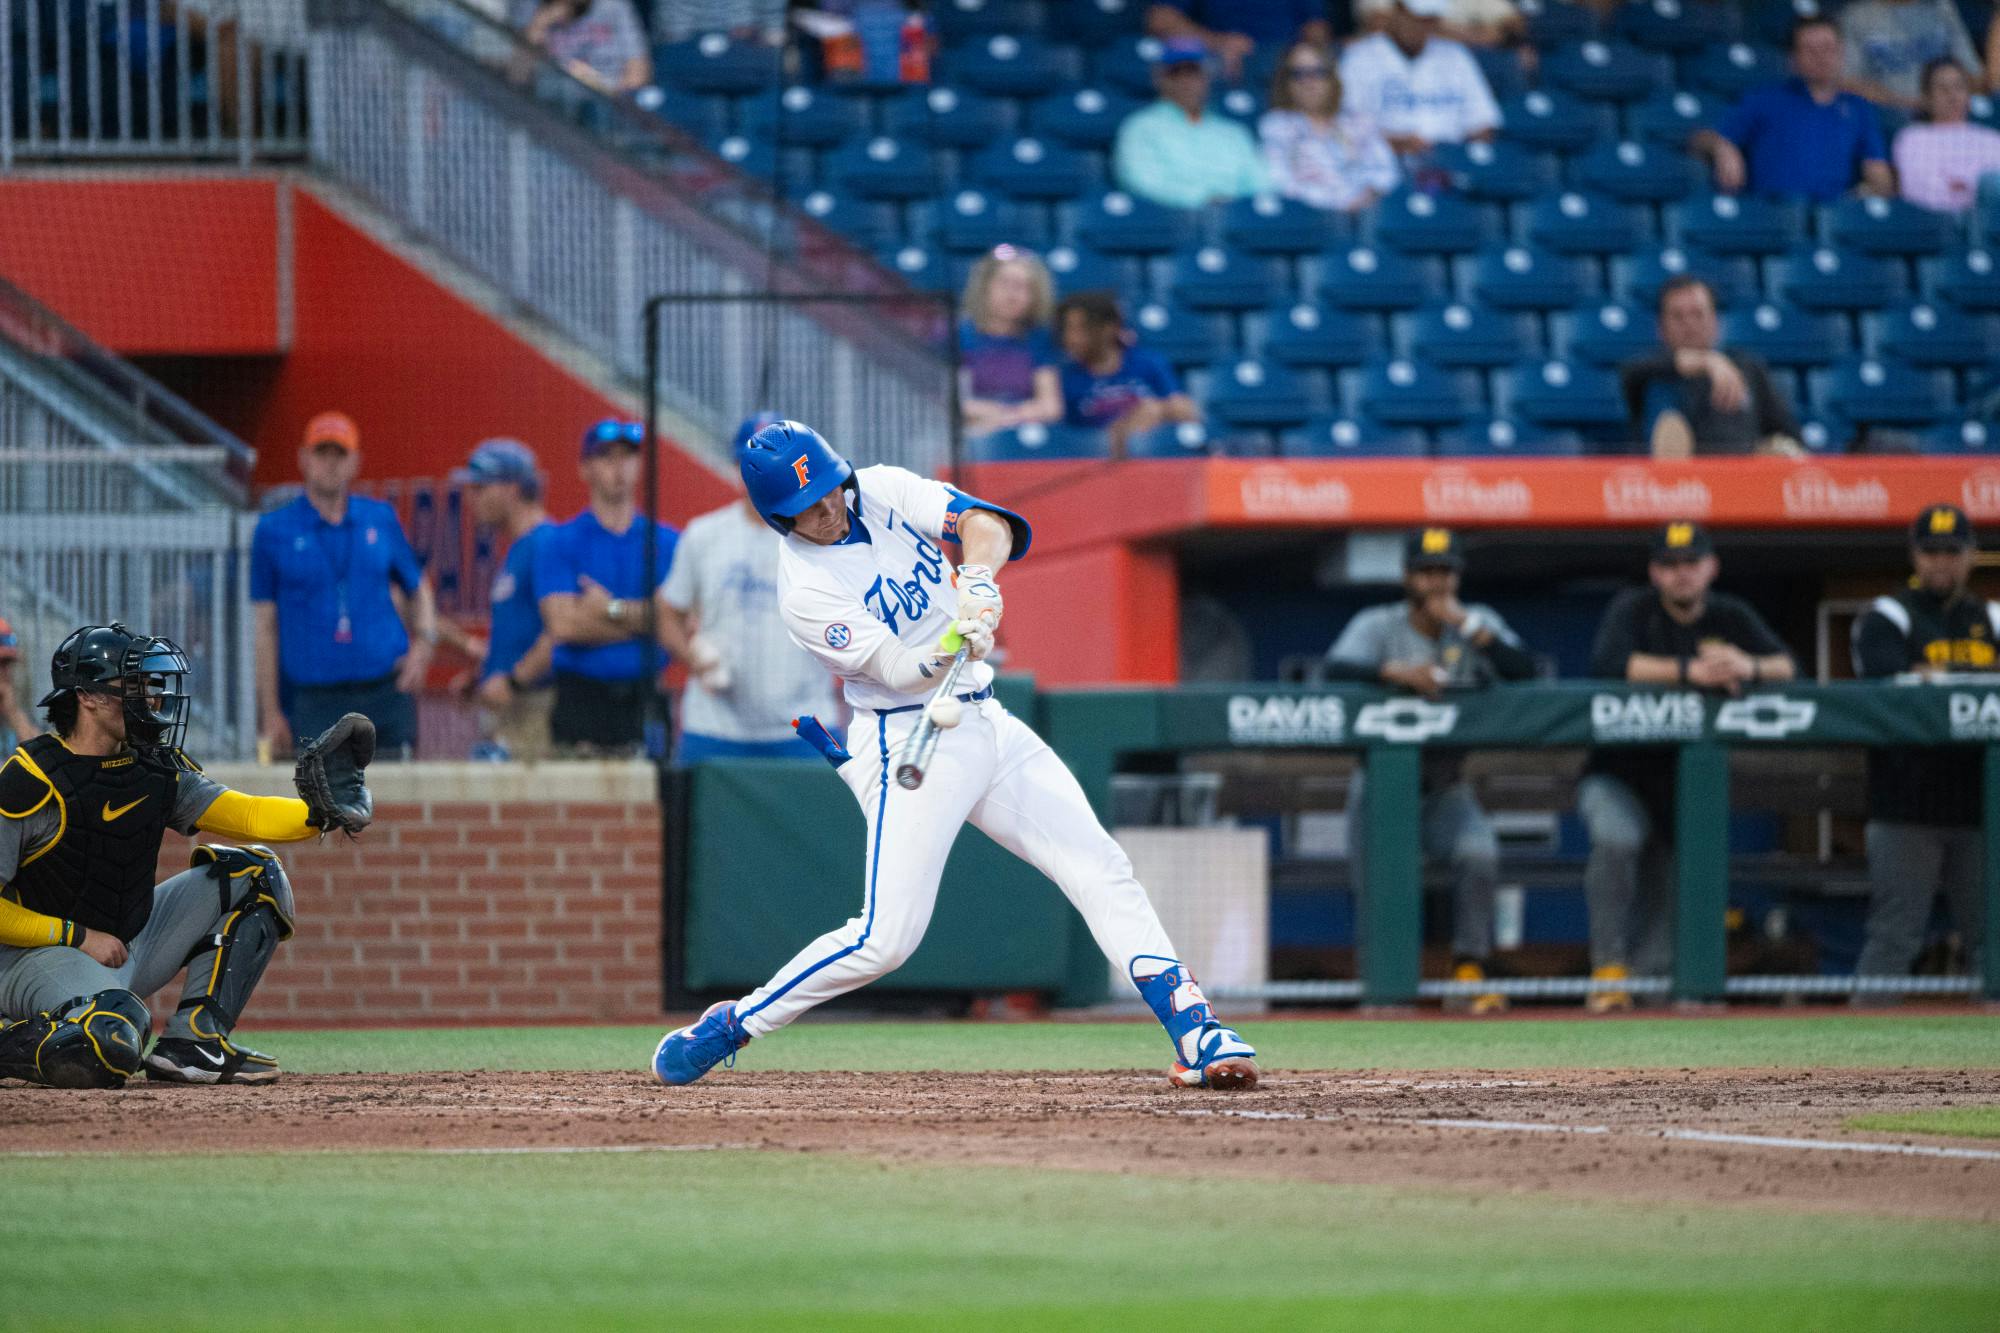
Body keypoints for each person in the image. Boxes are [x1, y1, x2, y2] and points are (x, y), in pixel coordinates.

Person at [651, 420, 1260, 1089]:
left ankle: (1192, 1026)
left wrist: (974, 578)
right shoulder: (804, 591)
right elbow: (903, 667)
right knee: (886, 939)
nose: (829, 509)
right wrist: (951, 640)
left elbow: (984, 522)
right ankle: (735, 1022)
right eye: (809, 507)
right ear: (778, 518)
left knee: (1098, 863)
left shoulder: (876, 488)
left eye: (830, 490)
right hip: (907, 734)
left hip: (984, 719)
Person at [0, 623, 375, 1088]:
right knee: (110, 1041)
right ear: (89, 698)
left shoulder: (155, 764)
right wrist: (76, 936)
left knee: (255, 874)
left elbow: (249, 814)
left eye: (152, 687)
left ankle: (195, 1044)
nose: (152, 699)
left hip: (126, 942)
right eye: (134, 687)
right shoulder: (29, 778)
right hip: (34, 957)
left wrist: (319, 814)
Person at [1577, 523, 1796, 1012]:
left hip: (1686, 786)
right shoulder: (1634, 608)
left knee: (1676, 886)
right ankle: (1608, 970)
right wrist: (1688, 672)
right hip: (1619, 775)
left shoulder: (1730, 615)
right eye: (1671, 565)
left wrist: (1748, 665)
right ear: (1655, 572)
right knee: (1616, 839)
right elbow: (1609, 663)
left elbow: (1788, 665)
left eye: (1691, 564)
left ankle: (1653, 998)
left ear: (1710, 567)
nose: (1682, 575)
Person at [1324, 528, 1538, 1013]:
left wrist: (1466, 626)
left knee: (1478, 853)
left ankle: (1468, 971)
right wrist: (1389, 672)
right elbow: (1333, 671)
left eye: (1444, 571)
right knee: (1378, 887)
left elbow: (1524, 672)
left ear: (1458, 576)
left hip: (1446, 786)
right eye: (1426, 571)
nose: (1436, 582)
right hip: (1381, 785)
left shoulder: (1478, 625)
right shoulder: (1379, 625)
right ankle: (1380, 992)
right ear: (1407, 577)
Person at [1850, 504, 1997, 991]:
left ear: (1971, 555)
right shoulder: (1889, 615)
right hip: (1905, 806)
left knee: (1990, 939)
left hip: (1980, 808)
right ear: (1915, 556)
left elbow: (1924, 683)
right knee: (1895, 936)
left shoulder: (1991, 618)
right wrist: (1979, 681)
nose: (1941, 563)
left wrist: (1941, 678)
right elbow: (1887, 683)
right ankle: (1851, 1063)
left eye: (1951, 552)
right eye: (1931, 552)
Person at [253, 411, 436, 760]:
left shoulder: (379, 519)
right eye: (322, 454)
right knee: (323, 804)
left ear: (356, 463)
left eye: (340, 455)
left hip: (385, 691)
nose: (331, 464)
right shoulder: (274, 531)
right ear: (304, 460)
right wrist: (270, 710)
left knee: (398, 799)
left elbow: (418, 586)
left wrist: (425, 643)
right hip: (316, 697)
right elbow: (265, 625)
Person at [656, 414, 840, 763]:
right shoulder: (704, 535)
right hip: (715, 727)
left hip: (804, 724)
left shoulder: (820, 538)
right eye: (751, 463)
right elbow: (668, 609)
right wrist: (692, 656)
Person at [535, 418, 679, 756]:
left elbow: (680, 622)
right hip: (581, 698)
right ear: (585, 469)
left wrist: (608, 609)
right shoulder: (560, 542)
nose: (619, 468)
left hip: (644, 698)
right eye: (606, 457)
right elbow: (564, 625)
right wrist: (648, 622)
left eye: (627, 457)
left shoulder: (667, 542)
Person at [1693, 16, 1893, 202]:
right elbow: (1698, 140)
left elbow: (1879, 173)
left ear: (1841, 53)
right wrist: (1723, 148)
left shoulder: (1858, 108)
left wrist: (1868, 190)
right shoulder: (1765, 99)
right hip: (1774, 215)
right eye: (1810, 50)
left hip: (1834, 216)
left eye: (1828, 48)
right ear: (1792, 59)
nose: (1820, 57)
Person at [1620, 276, 1803, 460]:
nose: (1689, 324)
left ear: (1715, 321)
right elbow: (1631, 372)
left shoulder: (1747, 367)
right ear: (1661, 327)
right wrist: (1708, 361)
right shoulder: (1645, 372)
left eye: (1697, 314)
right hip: (1675, 483)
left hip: (1739, 476)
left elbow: (1790, 435)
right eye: (1678, 316)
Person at [456, 438, 556, 763]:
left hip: (535, 707)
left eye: (481, 488)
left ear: (513, 489)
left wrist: (512, 681)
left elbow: (559, 632)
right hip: (512, 708)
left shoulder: (546, 545)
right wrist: (486, 673)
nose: (472, 499)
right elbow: (522, 631)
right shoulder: (518, 548)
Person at [1112, 38, 1270, 210]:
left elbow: (1262, 182)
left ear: (1208, 77)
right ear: (1159, 77)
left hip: (1236, 220)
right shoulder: (1140, 126)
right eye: (1176, 71)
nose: (1186, 80)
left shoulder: (1234, 132)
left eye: (1194, 71)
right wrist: (1204, 199)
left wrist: (1234, 205)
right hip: (1171, 224)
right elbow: (1140, 180)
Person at [1337, 0, 1501, 158]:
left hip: (1450, 164)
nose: (1422, 26)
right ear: (1398, 10)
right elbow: (1343, 128)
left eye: (1430, 19)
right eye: (1417, 18)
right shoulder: (1359, 58)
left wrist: (1463, 155)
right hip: (1387, 164)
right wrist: (1393, 144)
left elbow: (1483, 121)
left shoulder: (1456, 55)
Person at [1259, 39, 1401, 213]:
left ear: (1332, 78)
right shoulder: (1276, 125)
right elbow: (1279, 180)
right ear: (1286, 82)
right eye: (1298, 74)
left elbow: (1385, 173)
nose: (1308, 82)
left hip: (1363, 217)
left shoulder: (1360, 121)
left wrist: (1365, 198)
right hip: (1309, 223)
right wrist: (1338, 207)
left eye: (1318, 72)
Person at [1055, 291, 1202, 453]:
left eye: (1081, 329)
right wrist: (1123, 429)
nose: (1071, 338)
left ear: (1108, 328)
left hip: (1155, 457)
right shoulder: (1066, 379)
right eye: (1068, 329)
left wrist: (1158, 409)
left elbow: (1187, 411)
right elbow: (1066, 439)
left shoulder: (1147, 362)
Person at [957, 247, 1064, 440]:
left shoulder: (1039, 338)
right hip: (969, 438)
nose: (1013, 294)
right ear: (985, 287)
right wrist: (1019, 412)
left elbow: (1050, 407)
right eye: (1004, 283)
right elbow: (958, 404)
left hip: (1022, 434)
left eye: (1024, 287)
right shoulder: (960, 335)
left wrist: (1002, 418)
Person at [1894, 59, 2000, 215]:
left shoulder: (1991, 139)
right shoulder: (1912, 138)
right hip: (1940, 226)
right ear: (1927, 97)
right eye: (1943, 89)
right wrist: (1973, 192)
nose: (1952, 96)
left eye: (1959, 87)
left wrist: (1963, 187)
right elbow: (1916, 192)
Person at [1839, 0, 1982, 114]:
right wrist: (1910, 103)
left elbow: (1974, 74)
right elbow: (1847, 82)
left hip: (1948, 113)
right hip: (1891, 116)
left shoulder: (1941, 6)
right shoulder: (1857, 16)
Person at [1146, 1, 1333, 84]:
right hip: (1226, 60)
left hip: (1285, 60)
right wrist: (1217, 42)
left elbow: (1316, 27)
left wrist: (1302, 55)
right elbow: (1161, 19)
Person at [524, 0, 652, 96]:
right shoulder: (535, 8)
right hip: (551, 106)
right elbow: (516, 76)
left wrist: (598, 83)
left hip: (604, 108)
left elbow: (638, 74)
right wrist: (539, 24)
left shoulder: (613, 7)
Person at [0, 618, 34, 757]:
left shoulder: (11, 711)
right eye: (0, 664)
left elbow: (44, 764)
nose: (6, 672)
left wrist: (13, 713)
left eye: (7, 664)